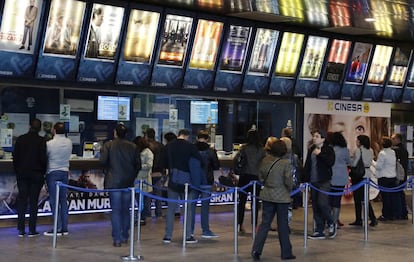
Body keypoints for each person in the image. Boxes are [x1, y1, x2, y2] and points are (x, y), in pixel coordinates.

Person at [251, 139, 296, 261]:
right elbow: (288, 181)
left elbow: (260, 177)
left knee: (265, 224)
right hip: (282, 198)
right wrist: (290, 187)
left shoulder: (265, 161)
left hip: (267, 196)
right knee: (282, 225)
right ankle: (286, 252)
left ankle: (256, 250)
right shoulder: (285, 163)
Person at [100, 123, 141, 247]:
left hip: (113, 182)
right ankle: (125, 236)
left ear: (115, 133)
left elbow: (102, 162)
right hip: (128, 183)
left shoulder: (108, 145)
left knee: (116, 211)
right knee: (126, 211)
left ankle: (117, 239)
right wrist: (131, 176)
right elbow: (138, 165)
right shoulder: (133, 146)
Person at [162, 129, 201, 244]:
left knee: (171, 209)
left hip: (173, 180)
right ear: (187, 136)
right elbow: (198, 161)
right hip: (186, 181)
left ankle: (168, 236)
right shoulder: (190, 146)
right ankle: (188, 235)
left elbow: (163, 163)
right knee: (187, 209)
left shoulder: (169, 146)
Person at [13, 118, 47, 237]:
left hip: (22, 174)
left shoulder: (21, 139)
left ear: (29, 126)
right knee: (33, 202)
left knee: (22, 201)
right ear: (40, 128)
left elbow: (15, 157)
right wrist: (42, 172)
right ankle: (32, 229)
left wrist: (18, 172)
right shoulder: (41, 141)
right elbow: (43, 159)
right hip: (36, 175)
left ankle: (21, 229)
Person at [303, 129, 336, 239]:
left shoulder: (328, 149)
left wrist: (320, 154)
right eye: (314, 136)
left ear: (323, 138)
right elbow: (307, 165)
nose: (314, 138)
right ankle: (319, 229)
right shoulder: (311, 149)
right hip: (313, 181)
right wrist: (304, 180)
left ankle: (331, 222)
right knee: (315, 206)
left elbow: (330, 162)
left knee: (322, 203)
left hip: (324, 181)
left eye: (317, 136)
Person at [233, 128, 266, 233]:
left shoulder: (244, 148)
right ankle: (254, 225)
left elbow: (236, 160)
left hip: (245, 176)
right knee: (255, 203)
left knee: (241, 202)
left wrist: (237, 171)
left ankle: (240, 224)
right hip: (256, 178)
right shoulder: (262, 149)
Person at [43, 122, 73, 236]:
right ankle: (64, 228)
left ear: (54, 130)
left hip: (53, 172)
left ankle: (57, 227)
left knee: (54, 202)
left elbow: (46, 156)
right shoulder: (69, 142)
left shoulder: (50, 144)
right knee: (63, 201)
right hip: (65, 173)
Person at [191, 129, 220, 238]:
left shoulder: (192, 149)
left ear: (197, 138)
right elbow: (216, 165)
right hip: (207, 181)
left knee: (191, 207)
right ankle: (205, 230)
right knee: (205, 208)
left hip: (193, 181)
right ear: (207, 139)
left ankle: (190, 231)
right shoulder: (211, 151)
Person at [349, 135, 377, 226]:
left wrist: (351, 159)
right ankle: (372, 218)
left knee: (357, 198)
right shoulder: (371, 150)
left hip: (359, 176)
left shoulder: (358, 150)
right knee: (365, 198)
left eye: (357, 140)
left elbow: (354, 164)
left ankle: (359, 219)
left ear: (360, 142)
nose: (356, 142)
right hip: (367, 174)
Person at [372, 136, 400, 221]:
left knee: (385, 198)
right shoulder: (392, 152)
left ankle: (385, 215)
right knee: (391, 197)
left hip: (384, 178)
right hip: (392, 176)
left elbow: (379, 166)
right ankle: (392, 214)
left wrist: (372, 161)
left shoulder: (382, 153)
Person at [329, 132, 351, 228]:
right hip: (341, 178)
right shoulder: (345, 150)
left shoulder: (330, 149)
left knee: (329, 200)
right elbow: (349, 162)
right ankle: (335, 221)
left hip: (330, 177)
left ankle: (329, 220)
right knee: (337, 200)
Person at [145, 128, 165, 218]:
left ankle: (148, 213)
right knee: (158, 194)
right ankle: (159, 212)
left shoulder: (146, 146)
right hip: (159, 172)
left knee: (148, 194)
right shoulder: (160, 145)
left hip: (148, 173)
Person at [133, 136, 153, 225]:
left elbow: (149, 165)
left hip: (143, 179)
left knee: (141, 200)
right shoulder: (137, 152)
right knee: (138, 200)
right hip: (137, 179)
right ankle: (138, 217)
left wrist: (139, 166)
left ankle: (141, 217)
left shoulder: (148, 152)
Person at [391, 133, 409, 220]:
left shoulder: (395, 150)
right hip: (403, 175)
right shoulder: (404, 150)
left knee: (396, 195)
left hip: (397, 176)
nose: (392, 140)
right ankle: (403, 213)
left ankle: (397, 213)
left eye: (393, 139)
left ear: (398, 139)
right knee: (400, 194)